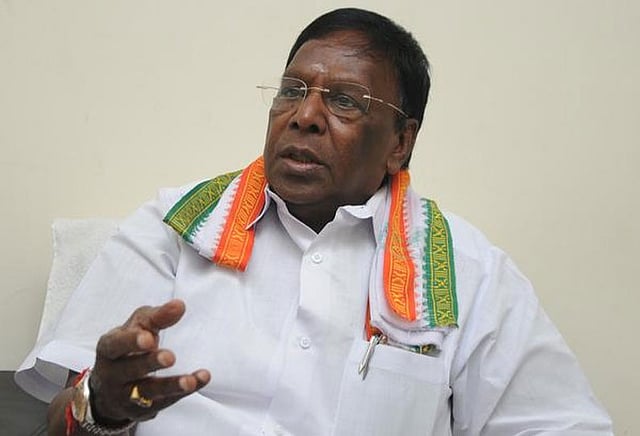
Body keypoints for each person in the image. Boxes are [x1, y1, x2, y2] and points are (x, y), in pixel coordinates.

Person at [17, 7, 613, 436]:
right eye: (292, 91)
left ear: (400, 144)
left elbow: (560, 424)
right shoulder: (174, 228)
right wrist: (99, 406)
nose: (305, 115)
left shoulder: (468, 272)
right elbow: (60, 417)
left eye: (345, 101)